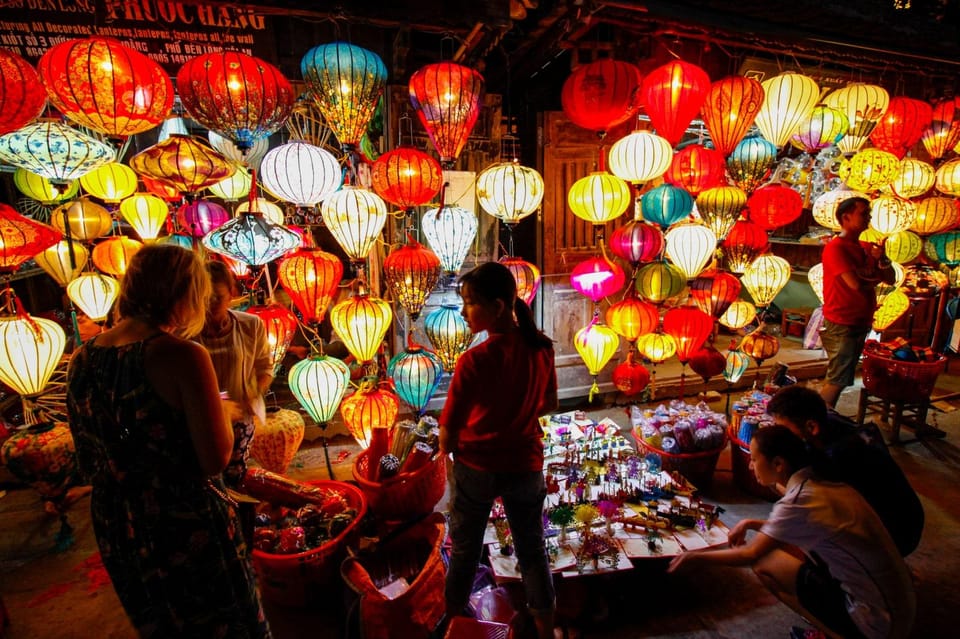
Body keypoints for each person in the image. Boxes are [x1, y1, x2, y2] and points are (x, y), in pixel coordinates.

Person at [65, 244, 271, 638]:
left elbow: (87, 456)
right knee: (224, 623)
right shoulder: (182, 355)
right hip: (182, 521)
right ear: (183, 294)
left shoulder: (84, 357)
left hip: (116, 520)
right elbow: (215, 458)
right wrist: (224, 414)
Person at [668, 426, 915, 639]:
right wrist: (751, 523)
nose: (751, 465)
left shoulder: (799, 501)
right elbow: (796, 525)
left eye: (754, 459)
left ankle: (838, 634)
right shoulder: (823, 482)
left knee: (766, 561)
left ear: (778, 463)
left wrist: (695, 557)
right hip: (900, 608)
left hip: (876, 623)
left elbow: (750, 555)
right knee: (788, 548)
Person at [440, 261, 559, 639]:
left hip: (476, 467)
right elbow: (549, 404)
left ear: (497, 306)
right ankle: (545, 628)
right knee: (532, 551)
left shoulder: (473, 360)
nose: (463, 311)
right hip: (525, 463)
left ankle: (452, 620)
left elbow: (447, 435)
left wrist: (453, 453)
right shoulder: (542, 349)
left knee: (465, 549)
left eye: (470, 303)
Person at [766, 385, 924, 556]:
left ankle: (882, 566)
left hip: (895, 536)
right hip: (909, 521)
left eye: (784, 430)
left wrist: (772, 478)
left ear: (811, 427)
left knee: (796, 535)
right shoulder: (830, 423)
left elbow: (800, 499)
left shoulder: (837, 457)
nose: (780, 437)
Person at [197, 260, 274, 488]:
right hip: (200, 421)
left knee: (235, 481)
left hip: (239, 418)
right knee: (206, 484)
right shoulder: (186, 333)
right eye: (203, 299)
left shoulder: (250, 325)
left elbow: (265, 368)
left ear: (231, 294)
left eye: (216, 298)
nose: (209, 305)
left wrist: (252, 393)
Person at [819, 196, 896, 409]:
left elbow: (890, 279)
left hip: (860, 320)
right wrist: (875, 279)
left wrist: (882, 259)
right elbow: (855, 284)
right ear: (846, 217)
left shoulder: (866, 248)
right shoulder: (836, 248)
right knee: (838, 378)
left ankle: (821, 419)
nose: (869, 217)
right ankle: (816, 421)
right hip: (843, 320)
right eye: (864, 213)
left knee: (841, 375)